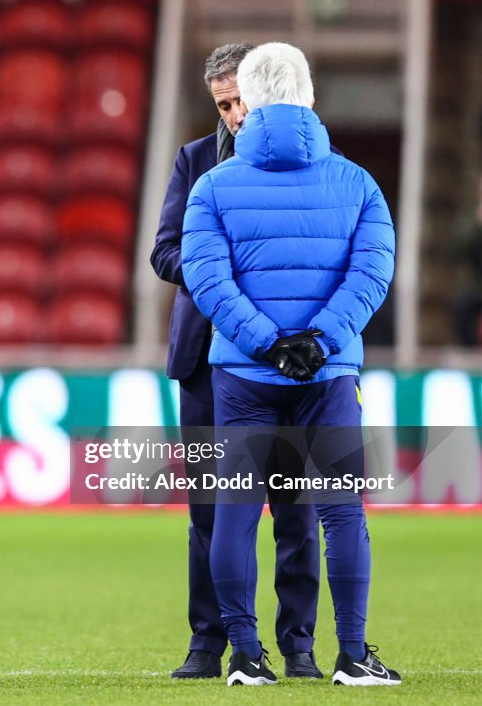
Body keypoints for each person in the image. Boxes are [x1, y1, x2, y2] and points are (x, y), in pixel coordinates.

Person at [182, 42, 399, 686]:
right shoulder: (356, 182)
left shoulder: (214, 185)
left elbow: (205, 277)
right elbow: (373, 271)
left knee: (236, 514)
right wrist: (319, 341)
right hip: (327, 379)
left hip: (244, 375)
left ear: (246, 100)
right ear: (309, 94)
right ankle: (353, 655)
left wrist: (266, 343)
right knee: (342, 515)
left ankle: (245, 655)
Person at [150, 43, 323, 680]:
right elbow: (165, 252)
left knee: (295, 507)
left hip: (294, 359)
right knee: (208, 511)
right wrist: (216, 270)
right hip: (206, 361)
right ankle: (208, 642)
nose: (234, 117)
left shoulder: (311, 169)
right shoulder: (194, 161)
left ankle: (299, 644)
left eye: (242, 102)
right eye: (224, 105)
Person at [449, 175, 482, 345]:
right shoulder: (473, 221)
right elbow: (455, 250)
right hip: (477, 289)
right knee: (463, 303)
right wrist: (478, 224)